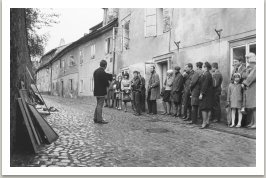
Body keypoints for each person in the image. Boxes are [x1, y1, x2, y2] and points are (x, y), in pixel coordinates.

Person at [93, 60, 112, 124]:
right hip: (101, 92)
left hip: (96, 91)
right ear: (105, 66)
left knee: (98, 104)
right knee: (100, 106)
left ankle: (95, 118)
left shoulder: (95, 71)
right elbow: (105, 82)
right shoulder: (102, 72)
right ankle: (100, 119)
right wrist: (108, 84)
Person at [242, 53, 256, 129]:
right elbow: (244, 75)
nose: (247, 60)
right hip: (251, 88)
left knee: (255, 107)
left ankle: (256, 123)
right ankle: (252, 122)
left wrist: (244, 83)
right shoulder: (250, 68)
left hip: (254, 88)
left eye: (248, 58)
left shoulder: (256, 67)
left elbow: (251, 77)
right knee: (252, 107)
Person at [199, 62, 214, 129]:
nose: (202, 68)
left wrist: (201, 93)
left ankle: (204, 123)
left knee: (204, 108)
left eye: (203, 67)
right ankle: (207, 121)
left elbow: (205, 85)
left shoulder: (206, 74)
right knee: (208, 108)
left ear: (206, 67)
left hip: (206, 94)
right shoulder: (208, 74)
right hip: (209, 94)